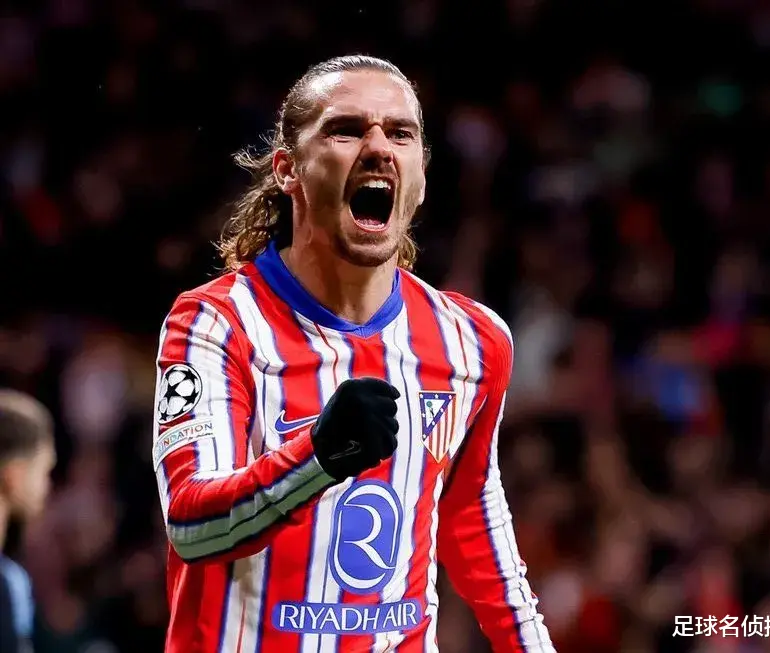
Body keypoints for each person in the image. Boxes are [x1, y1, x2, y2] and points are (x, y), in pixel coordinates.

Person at [153, 54, 556, 652]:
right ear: (287, 170)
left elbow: (472, 517)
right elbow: (193, 526)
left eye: (400, 133)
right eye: (346, 130)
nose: (379, 148)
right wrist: (319, 458)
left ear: (421, 176)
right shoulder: (217, 323)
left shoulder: (473, 340)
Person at [0, 389, 56, 653]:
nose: (48, 485)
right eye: (44, 470)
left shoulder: (12, 578)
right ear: (14, 475)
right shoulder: (8, 584)